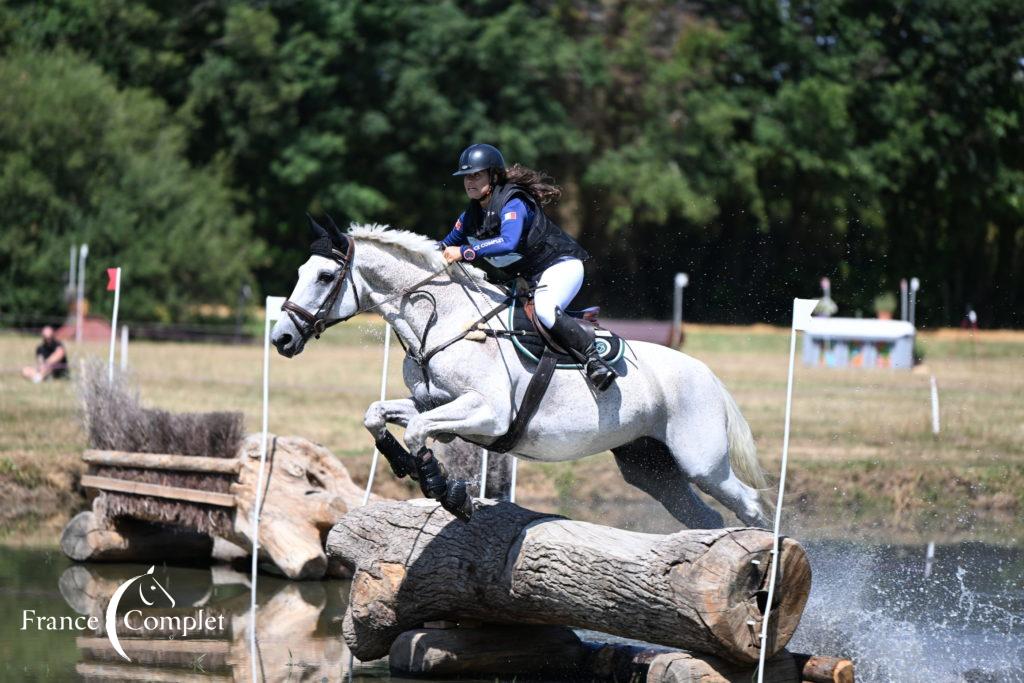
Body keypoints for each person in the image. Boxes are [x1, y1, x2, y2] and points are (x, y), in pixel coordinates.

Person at [440, 143, 616, 391]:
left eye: (476, 175)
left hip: (560, 266)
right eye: (466, 176)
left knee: (544, 310)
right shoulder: (470, 216)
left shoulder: (513, 202)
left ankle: (593, 360)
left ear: (494, 175)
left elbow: (508, 242)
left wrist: (466, 252)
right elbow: (443, 247)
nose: (470, 181)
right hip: (530, 279)